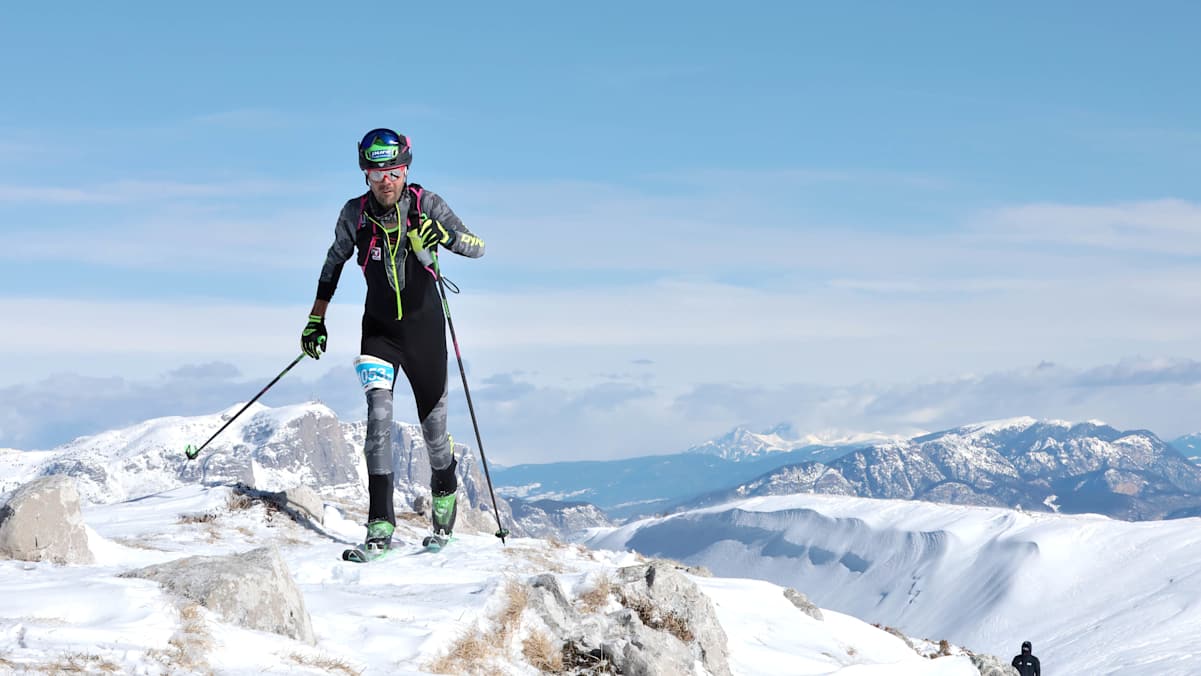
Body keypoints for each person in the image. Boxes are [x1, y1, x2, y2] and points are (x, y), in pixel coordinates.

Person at [301, 128, 485, 556]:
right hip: (379, 332)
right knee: (378, 422)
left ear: (406, 169)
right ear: (365, 174)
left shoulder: (427, 204)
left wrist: (445, 237)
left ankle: (444, 499)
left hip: (425, 333)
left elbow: (477, 246)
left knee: (434, 434)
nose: (387, 180)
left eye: (395, 171)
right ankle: (379, 526)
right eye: (377, 173)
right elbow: (332, 264)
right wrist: (315, 320)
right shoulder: (354, 214)